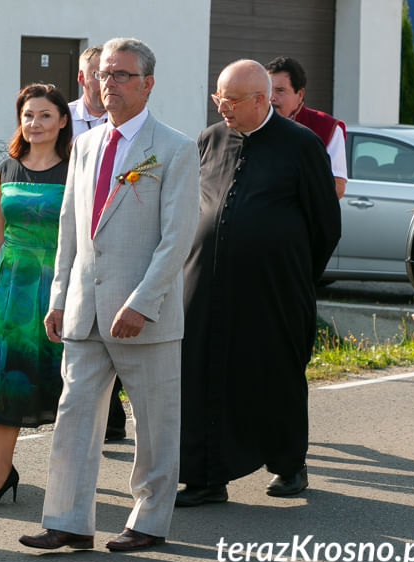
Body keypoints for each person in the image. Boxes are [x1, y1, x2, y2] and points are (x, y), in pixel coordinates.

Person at [19, 37, 200, 552]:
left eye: (122, 75)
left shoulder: (175, 149)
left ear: (147, 84)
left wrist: (142, 302)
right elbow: (70, 232)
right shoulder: (87, 144)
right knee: (74, 414)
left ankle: (147, 521)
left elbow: (177, 237)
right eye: (104, 75)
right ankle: (68, 520)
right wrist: (58, 296)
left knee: (154, 424)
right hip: (83, 309)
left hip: (145, 313)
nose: (110, 83)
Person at [177, 60, 340, 507]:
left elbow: (325, 224)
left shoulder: (302, 145)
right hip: (205, 283)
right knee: (200, 373)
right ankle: (205, 476)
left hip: (274, 288)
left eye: (231, 100)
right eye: (218, 98)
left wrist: (293, 275)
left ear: (261, 100)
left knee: (273, 372)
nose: (222, 107)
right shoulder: (209, 140)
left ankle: (288, 464)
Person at [0, 84, 71, 506]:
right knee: (5, 381)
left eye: (45, 115)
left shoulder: (76, 169)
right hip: (10, 289)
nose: (35, 123)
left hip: (58, 282)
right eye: (28, 115)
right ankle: (0, 473)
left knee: (66, 383)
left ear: (62, 120)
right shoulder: (5, 169)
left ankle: (68, 482)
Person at [69, 45, 126, 442]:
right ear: (82, 77)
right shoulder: (61, 118)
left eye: (111, 74)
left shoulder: (127, 126)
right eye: (97, 74)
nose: (103, 82)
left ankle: (113, 414)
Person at [265, 56, 347, 199]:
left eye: (280, 90)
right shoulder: (254, 125)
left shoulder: (327, 127)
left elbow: (336, 187)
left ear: (300, 94)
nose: (271, 97)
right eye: (268, 91)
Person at [69, 46, 107, 139]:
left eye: (114, 76)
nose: (107, 83)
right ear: (81, 78)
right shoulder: (63, 117)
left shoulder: (129, 119)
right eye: (100, 75)